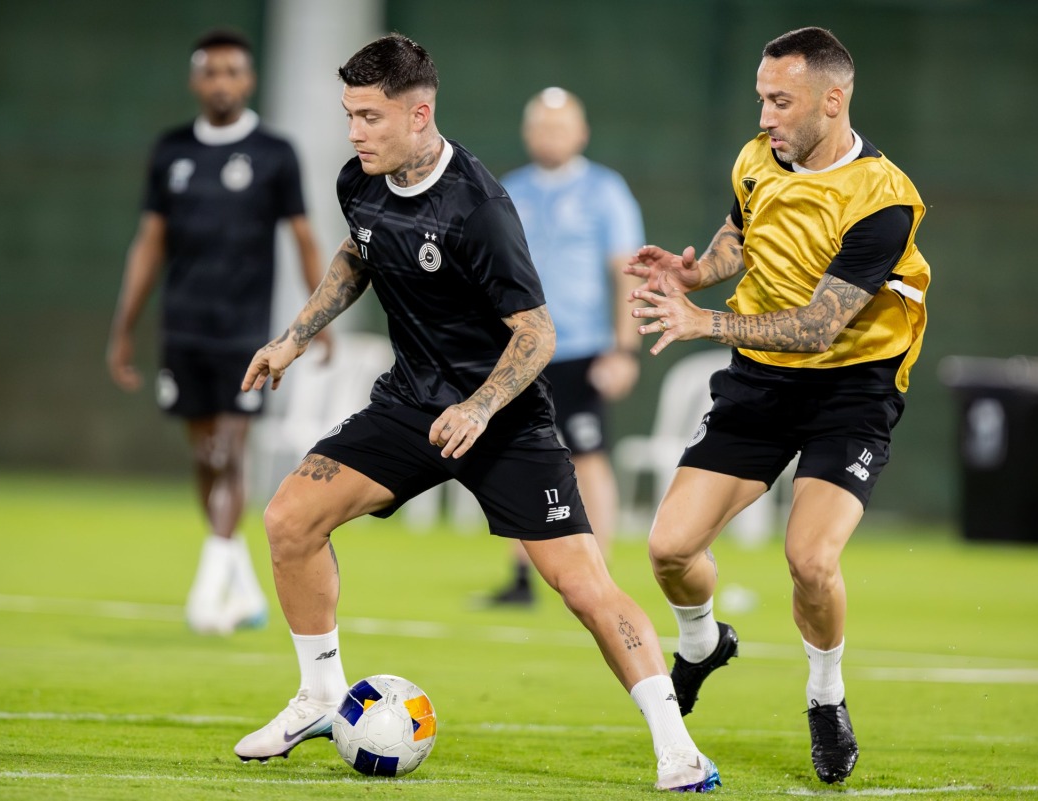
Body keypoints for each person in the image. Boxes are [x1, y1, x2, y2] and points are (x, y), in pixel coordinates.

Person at [231, 33, 720, 792]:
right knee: (290, 517)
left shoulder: (479, 208)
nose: (354, 131)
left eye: (370, 117)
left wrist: (482, 405)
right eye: (349, 114)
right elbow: (358, 256)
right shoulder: (358, 180)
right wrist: (294, 337)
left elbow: (537, 332)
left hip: (504, 416)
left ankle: (676, 745)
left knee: (583, 584)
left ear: (419, 113)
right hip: (409, 405)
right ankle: (320, 692)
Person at [627, 27, 930, 785]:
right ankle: (701, 641)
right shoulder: (758, 158)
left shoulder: (884, 201)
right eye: (761, 97)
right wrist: (695, 274)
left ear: (833, 101)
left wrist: (704, 322)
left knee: (810, 559)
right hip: (760, 384)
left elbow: (819, 326)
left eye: (780, 100)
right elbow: (740, 234)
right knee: (668, 549)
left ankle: (825, 696)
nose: (765, 115)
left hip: (850, 389)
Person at [106, 29, 328, 635]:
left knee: (228, 450)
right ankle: (242, 585)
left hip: (245, 335)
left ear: (249, 80)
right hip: (183, 329)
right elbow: (149, 242)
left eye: (233, 71)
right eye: (211, 72)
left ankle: (208, 588)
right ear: (195, 80)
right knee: (203, 456)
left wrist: (317, 319)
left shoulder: (275, 152)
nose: (222, 82)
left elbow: (306, 239)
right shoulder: (171, 150)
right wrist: (123, 327)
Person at [487, 87, 645, 606]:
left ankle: (598, 573)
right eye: (541, 126)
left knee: (588, 455)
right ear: (527, 132)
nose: (549, 136)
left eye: (560, 127)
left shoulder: (605, 191)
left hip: (581, 348)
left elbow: (626, 273)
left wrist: (623, 350)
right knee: (513, 456)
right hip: (519, 348)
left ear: (581, 133)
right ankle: (521, 576)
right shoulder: (509, 190)